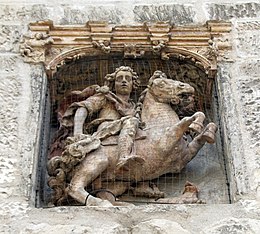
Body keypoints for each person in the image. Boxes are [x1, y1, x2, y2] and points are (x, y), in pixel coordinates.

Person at [62, 66, 144, 169]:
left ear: (133, 84)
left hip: (130, 135)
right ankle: (124, 156)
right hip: (106, 132)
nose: (124, 81)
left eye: (128, 79)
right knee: (132, 121)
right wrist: (77, 132)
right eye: (119, 79)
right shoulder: (105, 98)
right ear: (113, 85)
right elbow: (83, 107)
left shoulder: (135, 107)